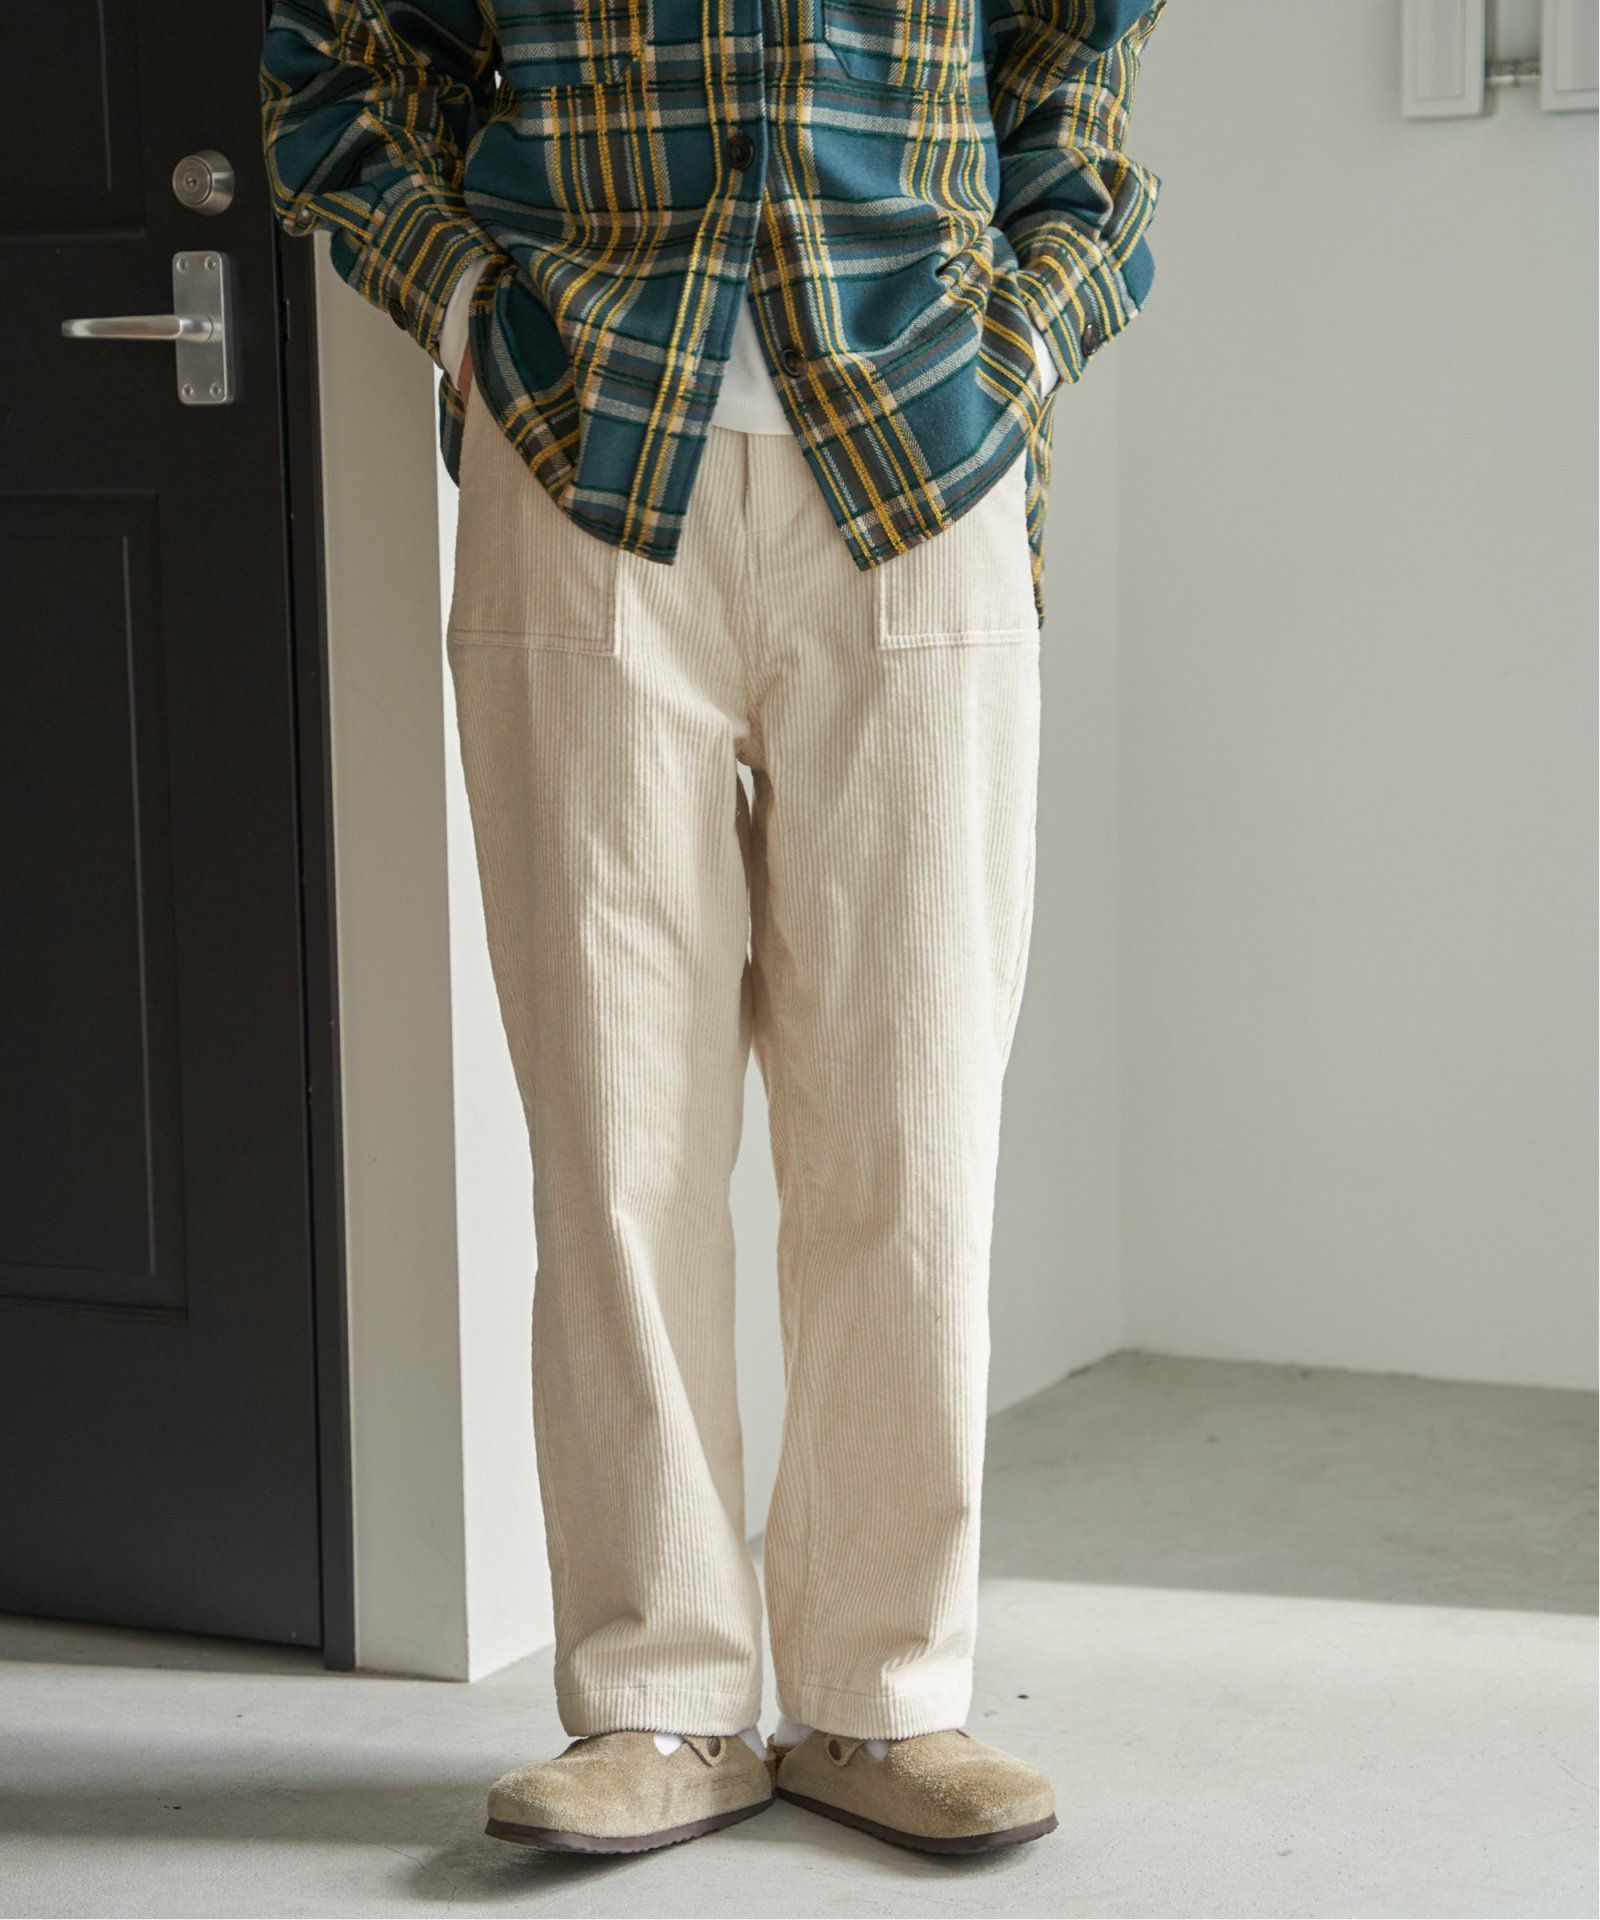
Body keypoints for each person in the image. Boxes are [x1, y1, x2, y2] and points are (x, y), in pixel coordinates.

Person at [261, 0, 1164, 1858]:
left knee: (911, 1132)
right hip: (584, 457)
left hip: (922, 463)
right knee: (616, 1135)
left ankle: (883, 1699)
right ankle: (657, 1701)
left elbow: (1072, 83)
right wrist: (473, 314)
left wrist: (1017, 344)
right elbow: (336, 71)